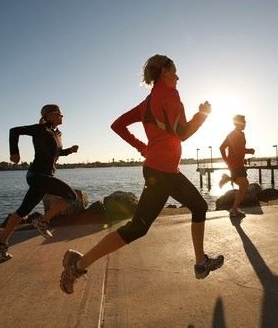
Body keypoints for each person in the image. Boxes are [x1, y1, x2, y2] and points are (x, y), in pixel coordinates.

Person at [59, 54, 224, 294]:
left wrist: (142, 147)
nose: (177, 77)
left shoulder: (147, 103)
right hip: (162, 173)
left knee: (199, 206)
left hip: (165, 170)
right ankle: (78, 264)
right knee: (137, 228)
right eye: (175, 71)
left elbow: (117, 125)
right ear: (165, 71)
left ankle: (201, 263)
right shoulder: (170, 95)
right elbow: (182, 133)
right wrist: (203, 115)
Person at [0, 104, 79, 260]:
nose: (62, 116)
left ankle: (0, 243)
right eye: (58, 114)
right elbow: (14, 131)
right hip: (38, 175)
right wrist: (14, 153)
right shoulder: (40, 129)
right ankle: (42, 222)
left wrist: (69, 150)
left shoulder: (58, 133)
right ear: (48, 115)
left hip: (44, 176)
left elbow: (56, 153)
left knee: (22, 211)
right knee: (71, 196)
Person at [219, 115, 255, 218]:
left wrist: (227, 161)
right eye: (243, 122)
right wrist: (249, 151)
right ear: (238, 123)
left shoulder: (239, 134)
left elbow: (227, 148)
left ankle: (234, 209)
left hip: (237, 164)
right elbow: (223, 148)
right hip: (235, 164)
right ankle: (234, 210)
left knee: (243, 185)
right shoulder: (234, 134)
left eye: (245, 122)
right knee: (244, 185)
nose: (245, 124)